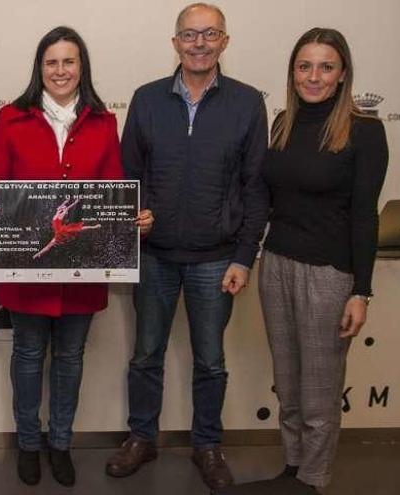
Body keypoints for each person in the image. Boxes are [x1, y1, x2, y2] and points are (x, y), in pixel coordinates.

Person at [0, 26, 153, 487]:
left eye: (69, 62)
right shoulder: (12, 117)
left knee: (70, 358)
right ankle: (29, 445)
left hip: (82, 270)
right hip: (26, 268)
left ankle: (61, 443)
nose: (60, 71)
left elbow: (113, 190)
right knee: (28, 355)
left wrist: (133, 219)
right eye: (51, 62)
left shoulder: (103, 121)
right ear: (40, 68)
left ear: (81, 67)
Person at [105, 3, 268, 491]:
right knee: (145, 355)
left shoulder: (246, 103)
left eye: (209, 34)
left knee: (210, 361)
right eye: (189, 35)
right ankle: (141, 437)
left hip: (216, 258)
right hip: (154, 255)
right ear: (175, 42)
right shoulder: (147, 99)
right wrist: (134, 219)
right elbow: (127, 176)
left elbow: (256, 187)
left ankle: (208, 445)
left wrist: (243, 256)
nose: (199, 43)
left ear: (225, 41)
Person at [259, 28, 388, 491]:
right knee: (288, 386)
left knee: (319, 391)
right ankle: (292, 469)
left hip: (329, 274)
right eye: (304, 66)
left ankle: (312, 478)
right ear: (293, 73)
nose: (314, 76)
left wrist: (361, 291)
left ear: (342, 74)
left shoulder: (366, 131)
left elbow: (364, 216)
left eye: (325, 66)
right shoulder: (282, 123)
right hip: (275, 265)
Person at [32, 198, 101, 259]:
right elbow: (64, 207)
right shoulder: (59, 213)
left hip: (59, 230)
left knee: (49, 246)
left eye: (64, 208)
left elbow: (66, 208)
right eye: (63, 208)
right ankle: (38, 254)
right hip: (61, 230)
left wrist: (71, 203)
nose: (63, 208)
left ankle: (38, 254)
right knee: (79, 228)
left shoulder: (59, 214)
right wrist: (69, 202)